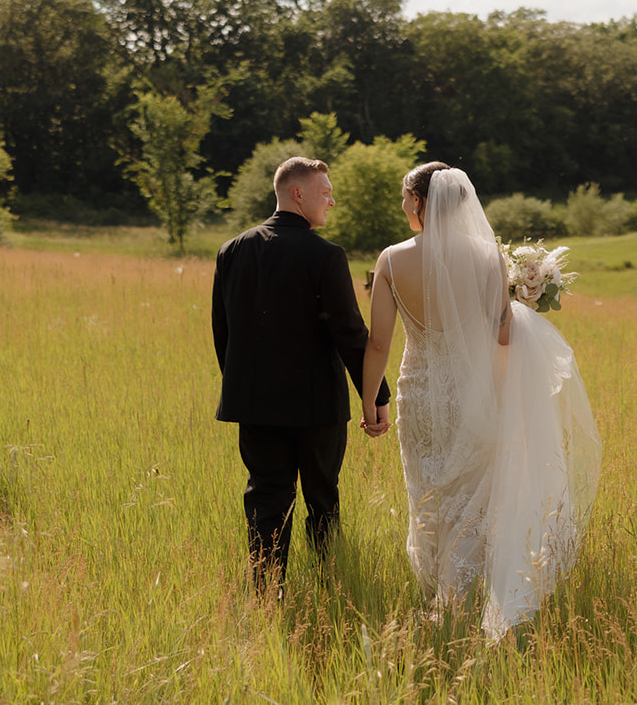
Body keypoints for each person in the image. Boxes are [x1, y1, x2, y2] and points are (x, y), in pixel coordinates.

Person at [360, 162, 601, 638]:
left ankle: (442, 599)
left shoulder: (392, 259)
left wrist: (371, 404)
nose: (404, 205)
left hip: (421, 393)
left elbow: (378, 345)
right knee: (475, 496)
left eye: (406, 197)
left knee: (429, 492)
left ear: (418, 201)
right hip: (476, 393)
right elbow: (503, 335)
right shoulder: (488, 256)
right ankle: (461, 596)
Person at [211, 156, 392, 590]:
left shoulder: (232, 249)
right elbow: (349, 332)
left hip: (254, 404)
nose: (331, 199)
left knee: (266, 497)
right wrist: (376, 398)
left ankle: (265, 591)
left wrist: (243, 387)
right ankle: (330, 583)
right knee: (322, 498)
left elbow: (224, 331)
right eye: (324, 191)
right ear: (297, 194)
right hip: (316, 408)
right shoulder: (326, 255)